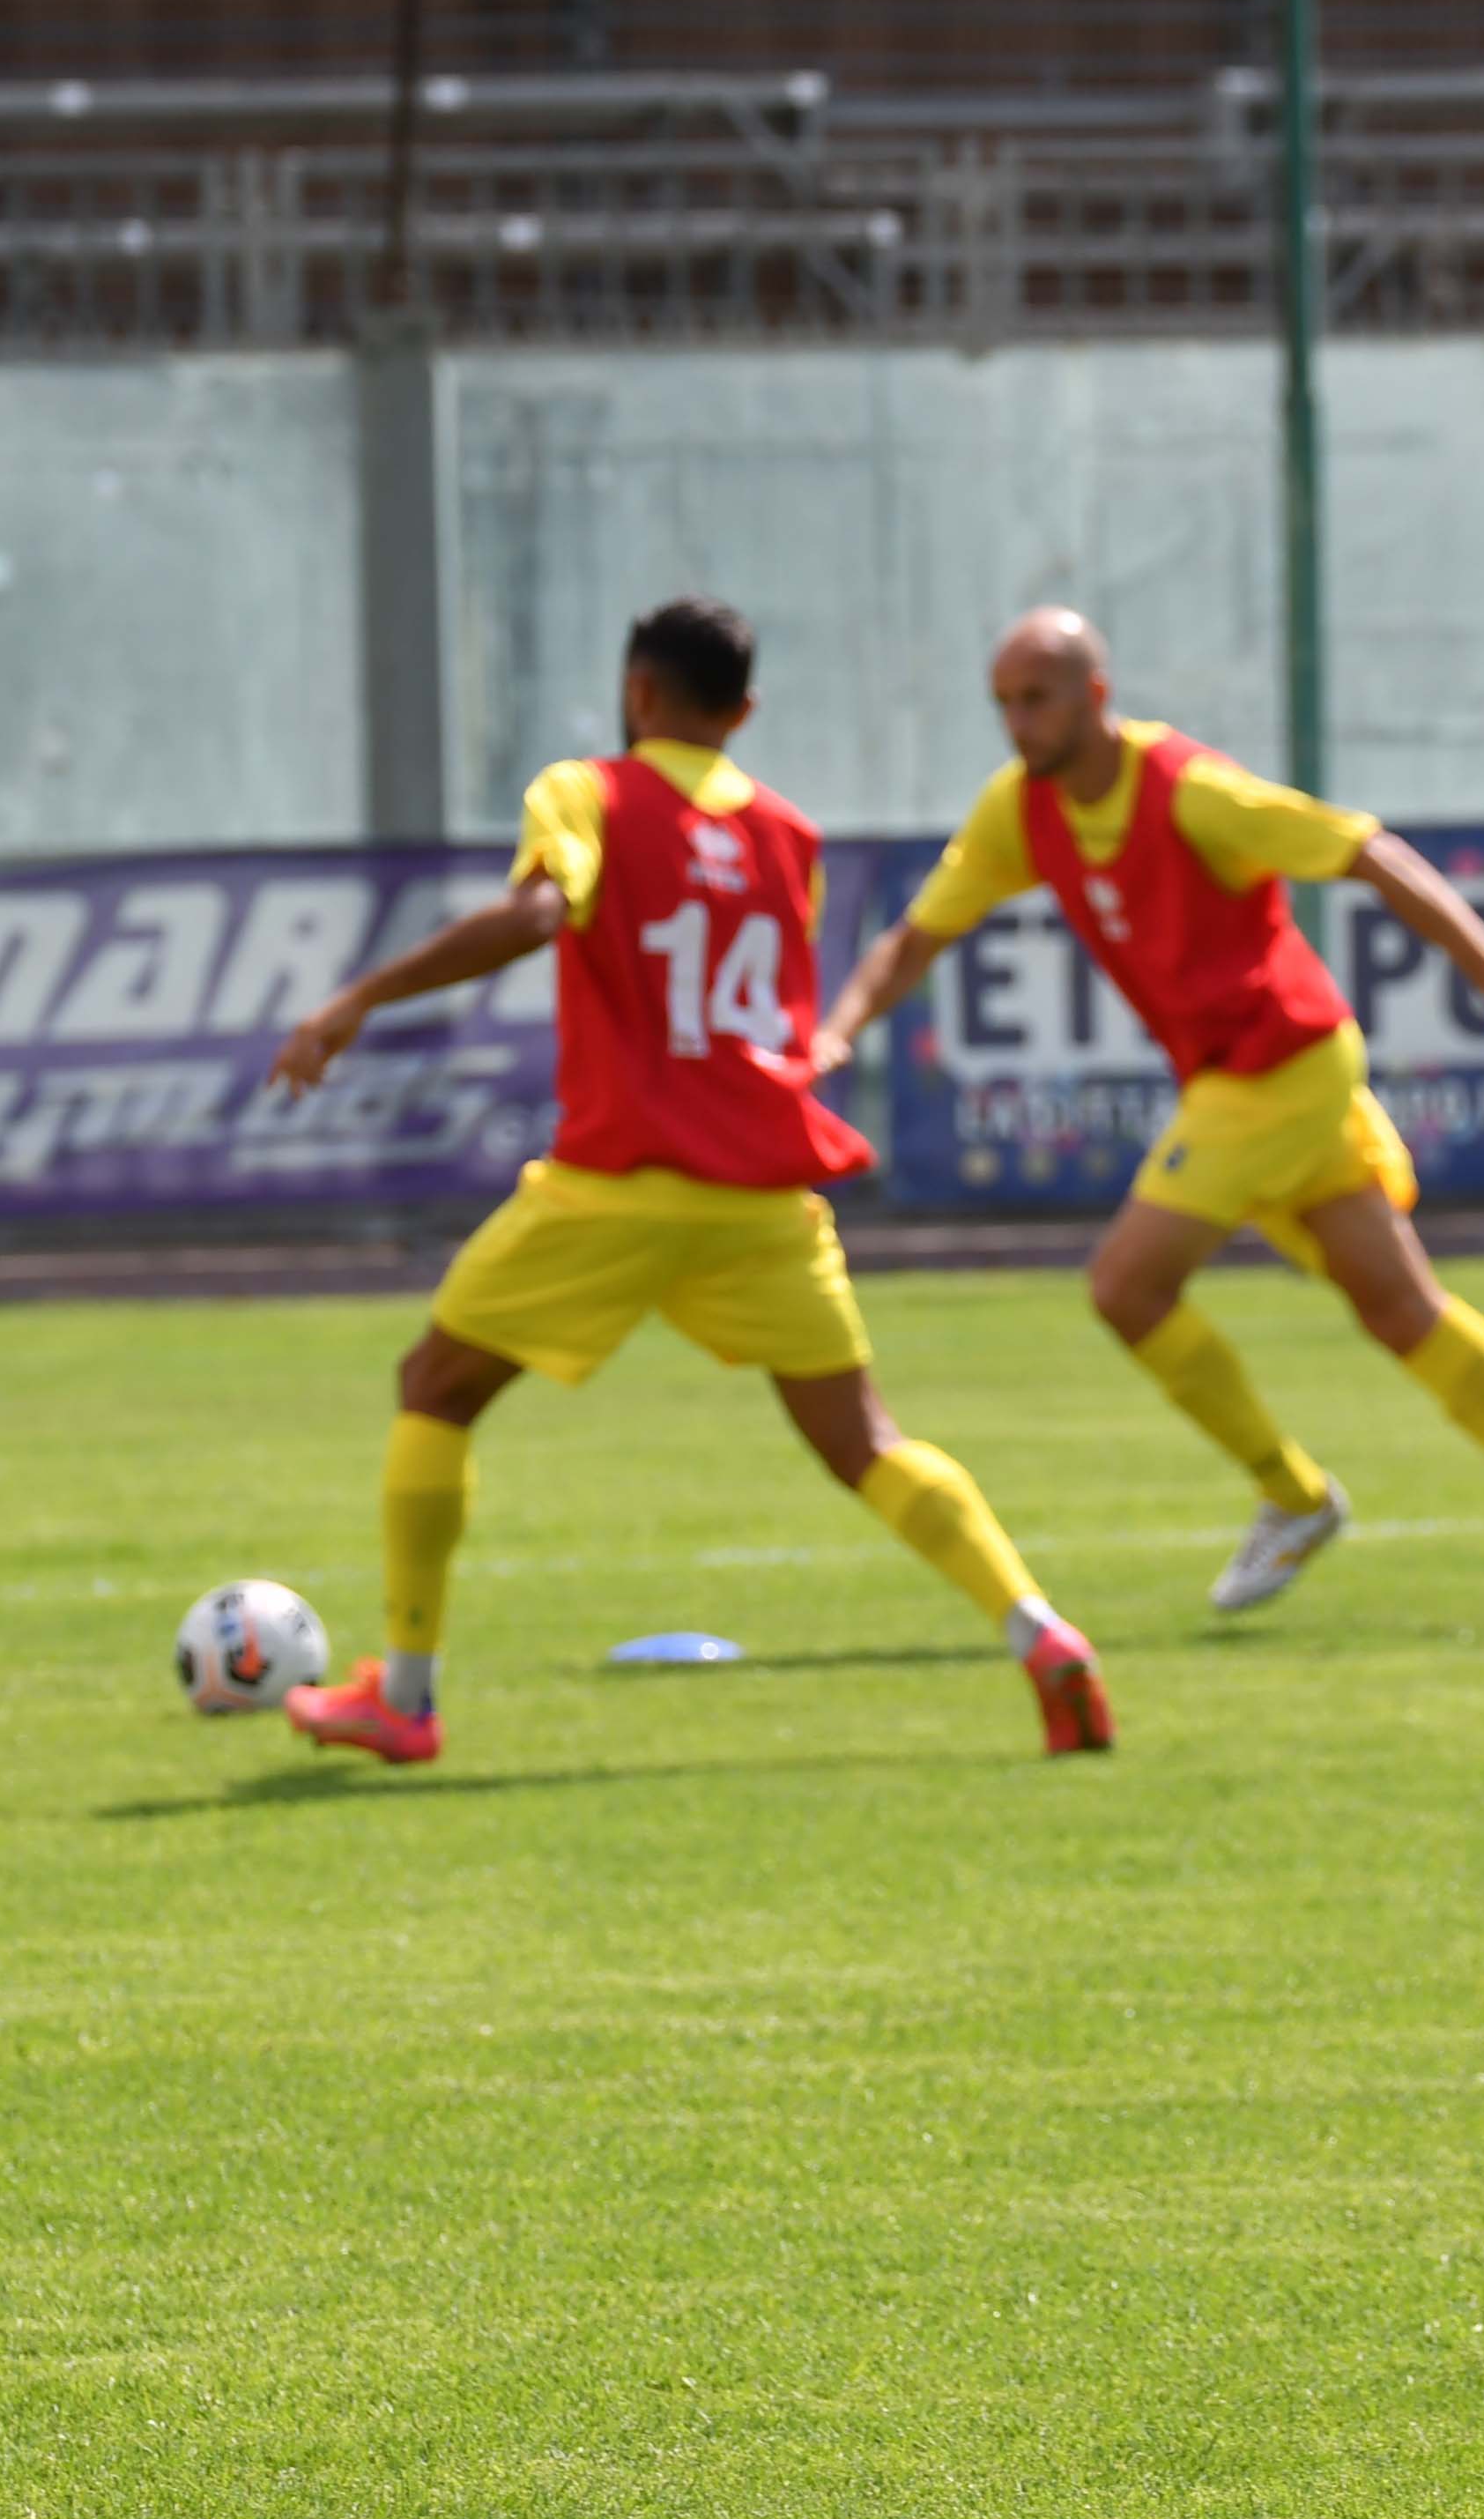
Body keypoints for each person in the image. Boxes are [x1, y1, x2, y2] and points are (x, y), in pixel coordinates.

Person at [265, 597, 1109, 1765]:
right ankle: (1042, 1633)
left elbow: (538, 914)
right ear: (745, 711)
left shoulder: (590, 792)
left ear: (638, 693)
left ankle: (403, 1698)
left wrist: (355, 1001)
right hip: (767, 1193)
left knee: (437, 1386)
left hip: (620, 1185)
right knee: (866, 1440)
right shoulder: (788, 836)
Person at [814, 610, 1484, 1625]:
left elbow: (1369, 851)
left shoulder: (1192, 792)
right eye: (1002, 703)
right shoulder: (1021, 810)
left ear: (1094, 694)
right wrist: (839, 1030)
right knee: (1402, 1311)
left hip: (1280, 1070)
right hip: (1249, 1079)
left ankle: (1293, 1494)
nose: (1016, 723)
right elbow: (918, 937)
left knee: (1126, 1286)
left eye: (1035, 699)